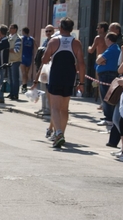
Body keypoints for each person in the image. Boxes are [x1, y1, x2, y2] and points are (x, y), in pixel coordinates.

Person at [41, 17, 85, 148]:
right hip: (69, 77)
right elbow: (82, 64)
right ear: (71, 29)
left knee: (54, 107)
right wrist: (81, 83)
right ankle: (61, 134)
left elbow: (44, 60)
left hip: (55, 76)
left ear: (60, 28)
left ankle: (58, 133)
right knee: (64, 108)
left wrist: (47, 53)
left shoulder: (53, 41)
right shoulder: (76, 43)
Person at [31, 25, 56, 138]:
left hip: (57, 78)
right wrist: (36, 80)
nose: (49, 33)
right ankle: (53, 129)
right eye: (47, 31)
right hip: (50, 76)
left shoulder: (53, 44)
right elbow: (43, 64)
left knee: (56, 107)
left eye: (50, 31)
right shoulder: (47, 43)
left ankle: (56, 131)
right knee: (55, 107)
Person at [95, 32, 121, 127]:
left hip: (107, 75)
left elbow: (98, 60)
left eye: (106, 39)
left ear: (108, 39)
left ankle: (109, 118)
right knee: (108, 96)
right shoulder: (114, 48)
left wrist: (99, 59)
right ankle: (109, 116)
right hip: (108, 74)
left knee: (106, 97)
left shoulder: (112, 49)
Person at [88, 21, 108, 110]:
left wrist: (88, 48)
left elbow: (91, 50)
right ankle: (106, 102)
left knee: (100, 83)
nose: (97, 29)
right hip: (107, 61)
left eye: (98, 28)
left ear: (102, 29)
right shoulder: (109, 37)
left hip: (99, 61)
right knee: (107, 83)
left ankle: (102, 103)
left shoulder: (98, 38)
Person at [0, 24, 10, 103]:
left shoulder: (5, 41)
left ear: (0, 32)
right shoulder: (1, 40)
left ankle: (0, 97)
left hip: (1, 64)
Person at [7, 24, 23, 100]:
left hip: (15, 60)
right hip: (10, 60)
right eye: (9, 28)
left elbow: (16, 50)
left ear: (15, 29)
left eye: (12, 28)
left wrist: (7, 50)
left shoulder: (18, 38)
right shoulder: (9, 37)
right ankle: (11, 93)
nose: (10, 29)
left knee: (15, 78)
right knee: (10, 78)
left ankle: (15, 94)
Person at [20, 27, 35, 94]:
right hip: (29, 57)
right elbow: (36, 47)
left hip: (23, 56)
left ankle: (24, 86)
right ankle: (25, 84)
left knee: (23, 72)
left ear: (23, 31)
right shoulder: (32, 39)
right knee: (26, 72)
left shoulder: (22, 38)